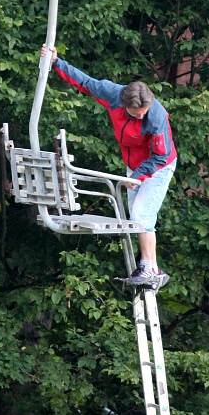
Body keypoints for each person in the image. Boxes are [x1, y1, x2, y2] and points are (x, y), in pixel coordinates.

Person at [41, 45, 177, 288]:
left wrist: (136, 176)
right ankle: (153, 269)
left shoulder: (156, 117)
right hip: (133, 164)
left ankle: (147, 268)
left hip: (157, 167)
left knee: (141, 215)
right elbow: (85, 82)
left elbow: (160, 155)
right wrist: (56, 62)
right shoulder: (112, 94)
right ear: (124, 105)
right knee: (137, 217)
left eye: (143, 113)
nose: (140, 118)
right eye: (136, 114)